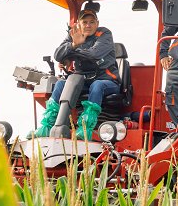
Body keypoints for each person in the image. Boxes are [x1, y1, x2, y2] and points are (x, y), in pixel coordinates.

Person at [34, 9, 120, 140]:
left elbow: (94, 54)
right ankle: (46, 127)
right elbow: (58, 55)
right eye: (84, 22)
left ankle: (85, 130)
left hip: (106, 80)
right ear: (78, 24)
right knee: (61, 84)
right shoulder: (73, 36)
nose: (88, 25)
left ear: (97, 23)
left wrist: (71, 52)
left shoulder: (105, 34)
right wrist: (73, 44)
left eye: (91, 22)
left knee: (97, 86)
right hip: (82, 81)